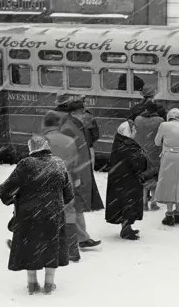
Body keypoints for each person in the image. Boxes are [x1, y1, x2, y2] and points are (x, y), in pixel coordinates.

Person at [0, 135, 73, 295]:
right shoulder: (58, 163)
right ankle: (49, 284)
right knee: (50, 247)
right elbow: (69, 194)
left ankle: (32, 283)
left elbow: (5, 189)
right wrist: (54, 203)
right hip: (53, 214)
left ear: (31, 148)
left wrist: (11, 199)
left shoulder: (26, 164)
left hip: (29, 215)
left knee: (31, 247)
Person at [56, 93, 101, 249]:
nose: (85, 115)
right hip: (75, 173)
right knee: (74, 206)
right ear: (75, 113)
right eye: (83, 112)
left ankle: (82, 238)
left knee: (77, 206)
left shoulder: (75, 125)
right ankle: (79, 238)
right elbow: (69, 154)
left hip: (80, 171)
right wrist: (75, 174)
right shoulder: (70, 128)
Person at [41, 111, 82, 263]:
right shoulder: (69, 140)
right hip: (66, 180)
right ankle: (72, 251)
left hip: (45, 182)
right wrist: (76, 179)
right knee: (69, 215)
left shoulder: (41, 141)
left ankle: (46, 250)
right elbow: (75, 163)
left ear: (45, 124)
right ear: (59, 124)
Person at [105, 120, 150, 240]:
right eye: (133, 129)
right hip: (127, 180)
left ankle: (126, 227)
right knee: (127, 204)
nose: (135, 131)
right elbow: (137, 163)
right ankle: (125, 230)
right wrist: (142, 157)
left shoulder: (120, 142)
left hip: (121, 179)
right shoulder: (128, 145)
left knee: (123, 204)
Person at [154, 108, 179, 226]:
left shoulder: (164, 125)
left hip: (169, 157)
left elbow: (157, 142)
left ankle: (169, 215)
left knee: (169, 184)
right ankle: (177, 213)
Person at [134, 100, 164, 210]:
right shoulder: (160, 120)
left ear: (145, 108)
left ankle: (144, 202)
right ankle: (153, 203)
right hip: (154, 152)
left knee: (143, 176)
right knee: (154, 177)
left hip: (141, 151)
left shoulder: (138, 119)